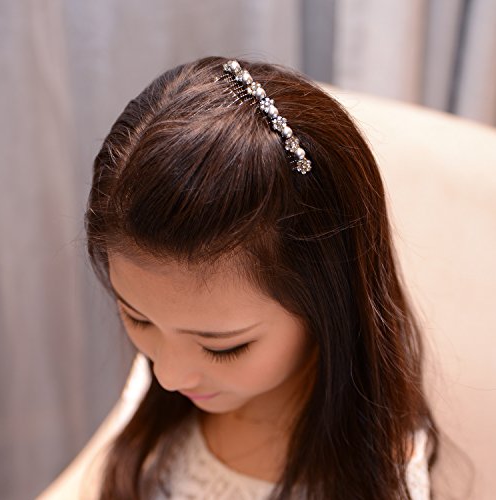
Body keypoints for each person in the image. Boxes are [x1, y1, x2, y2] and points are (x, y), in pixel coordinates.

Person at [84, 56, 440, 499]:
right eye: (137, 319)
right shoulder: (168, 374)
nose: (167, 375)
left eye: (223, 347)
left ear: (329, 302)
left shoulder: (374, 479)